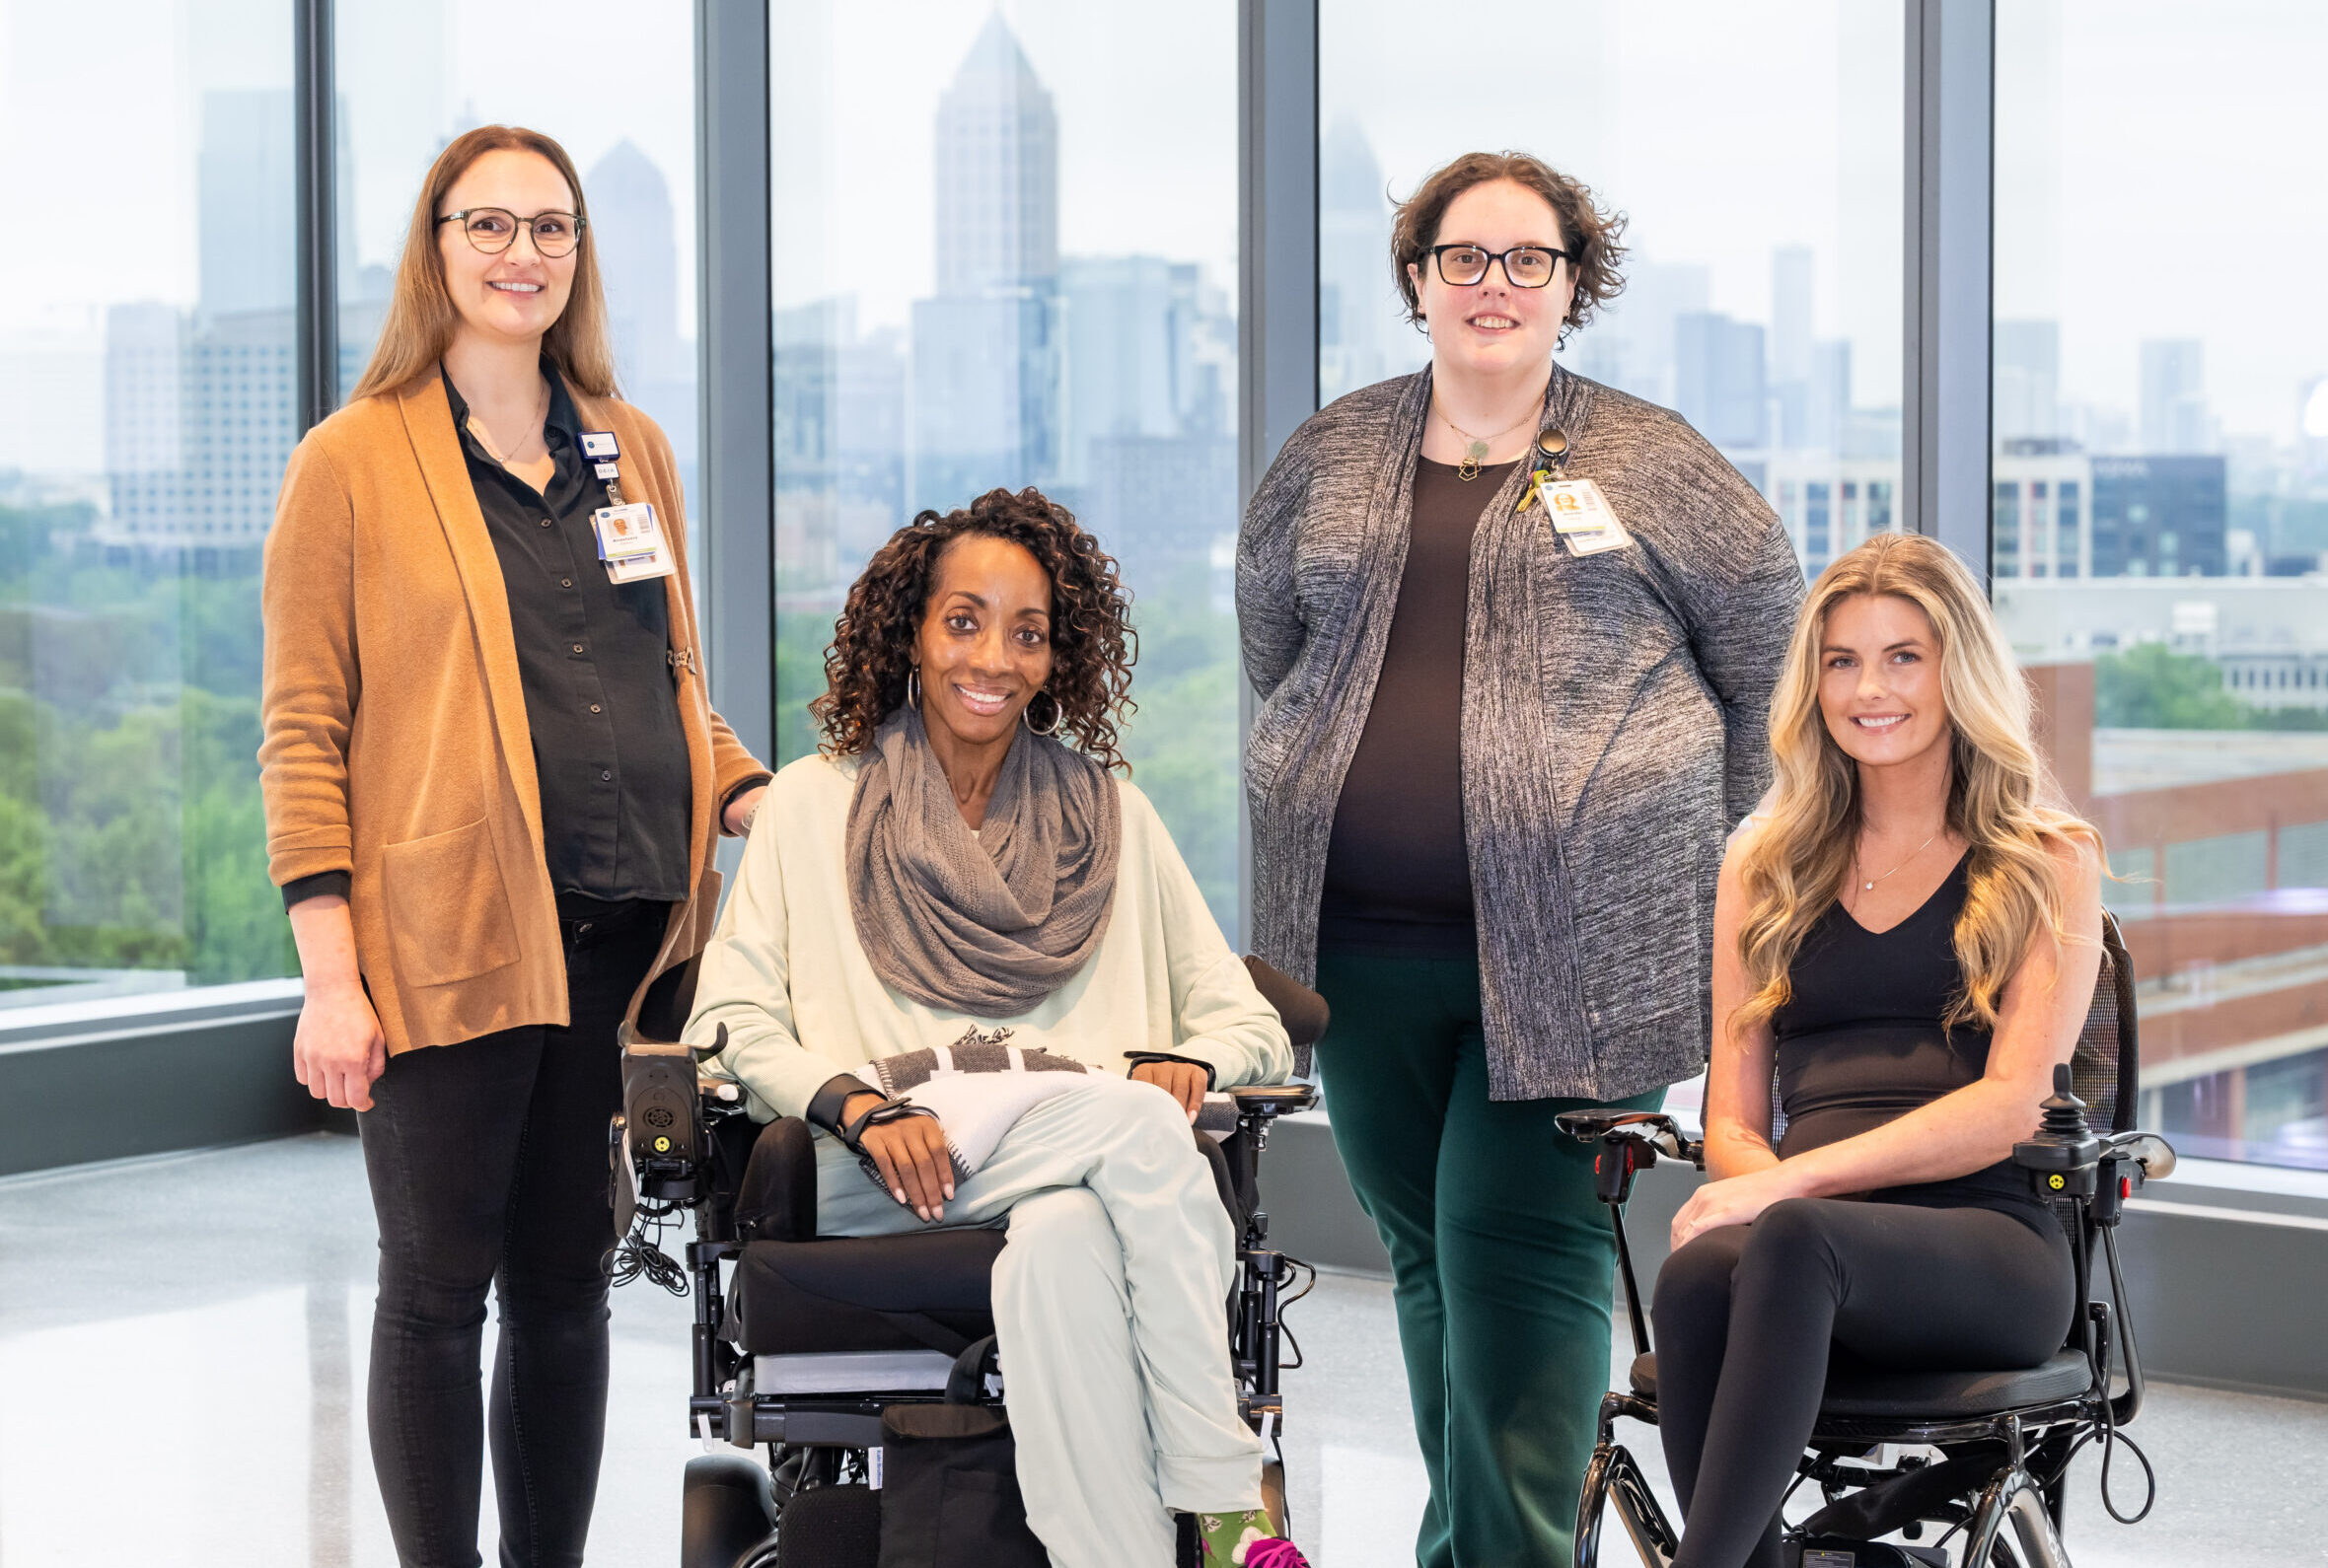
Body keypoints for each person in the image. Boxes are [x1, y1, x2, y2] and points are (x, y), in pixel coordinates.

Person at [1236, 150, 1808, 1568]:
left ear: (1574, 284)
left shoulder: (1656, 460)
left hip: (1587, 956)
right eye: (1465, 259)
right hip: (1358, 951)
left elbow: (1774, 674)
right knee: (1432, 1254)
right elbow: (1271, 651)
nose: (1495, 286)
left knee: (1518, 1251)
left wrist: (1651, 837)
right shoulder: (1332, 451)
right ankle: (1476, 1541)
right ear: (1418, 279)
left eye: (1528, 260)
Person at [258, 125, 770, 1567]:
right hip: (446, 936)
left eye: (551, 229)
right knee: (435, 1288)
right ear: (436, 247)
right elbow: (302, 733)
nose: (522, 255)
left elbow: (671, 682)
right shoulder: (351, 462)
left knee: (569, 1286)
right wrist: (330, 975)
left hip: (627, 941)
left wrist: (750, 794)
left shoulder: (629, 447)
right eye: (490, 226)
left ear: (578, 257)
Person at [687, 488, 1309, 1568]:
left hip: (1076, 1168)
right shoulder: (811, 805)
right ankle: (1226, 1501)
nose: (994, 657)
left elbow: (1242, 1019)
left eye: (1028, 633)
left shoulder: (1112, 815)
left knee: (1067, 1235)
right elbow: (730, 1021)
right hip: (875, 1167)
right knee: (1135, 1133)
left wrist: (1196, 1057)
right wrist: (858, 1105)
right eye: (963, 621)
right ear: (912, 635)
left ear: (1058, 657)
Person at [1649, 532, 2105, 1568]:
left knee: (1785, 1239)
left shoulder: (2046, 858)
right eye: (1841, 660)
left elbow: (2010, 1108)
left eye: (1905, 656)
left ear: (1960, 670)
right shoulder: (1762, 863)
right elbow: (1730, 1117)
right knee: (1693, 1280)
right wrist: (1771, 1195)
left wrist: (1790, 1195)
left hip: (1987, 1243)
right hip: (1803, 1245)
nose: (1870, 689)